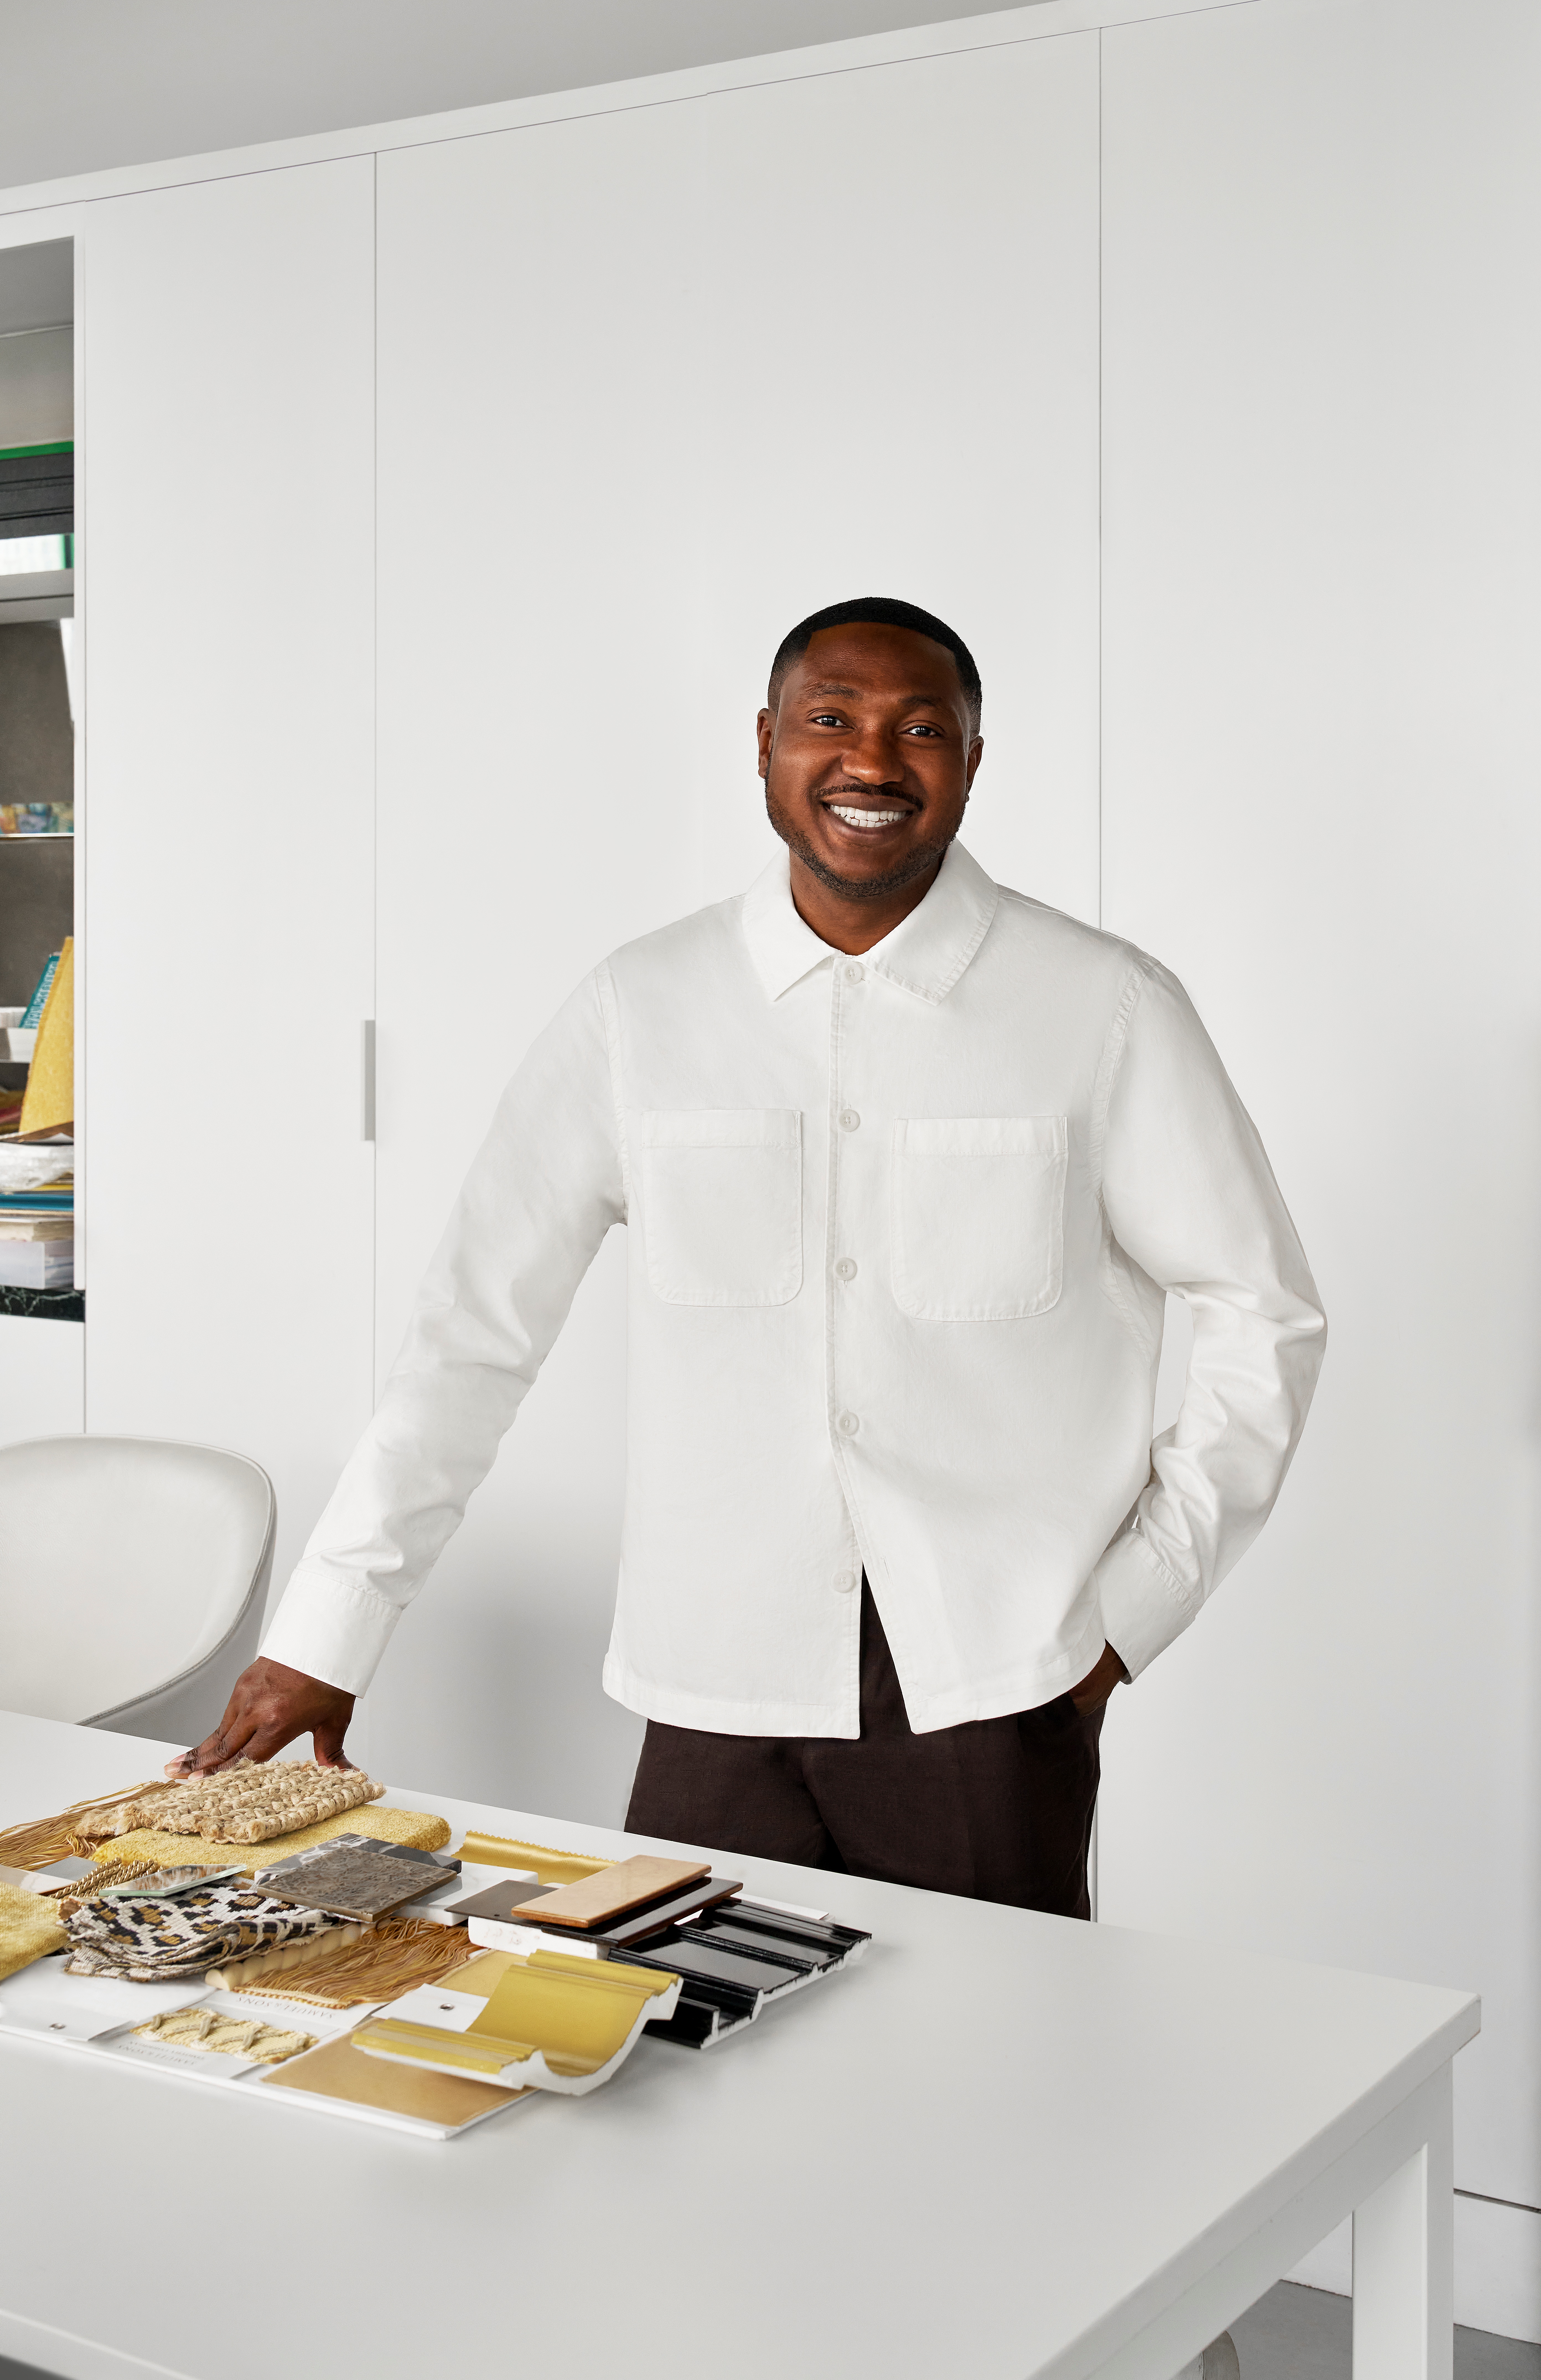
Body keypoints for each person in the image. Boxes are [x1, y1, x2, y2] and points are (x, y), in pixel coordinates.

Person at [169, 596, 1325, 1918]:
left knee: (992, 2096)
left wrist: (1131, 1612)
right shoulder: (639, 1007)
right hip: (714, 1673)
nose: (871, 762)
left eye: (921, 730)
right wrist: (329, 1633)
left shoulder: (1103, 1007)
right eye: (829, 720)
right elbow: (472, 1336)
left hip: (992, 1681)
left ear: (975, 760)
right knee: (675, 2072)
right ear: (765, 742)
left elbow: (1264, 1307)